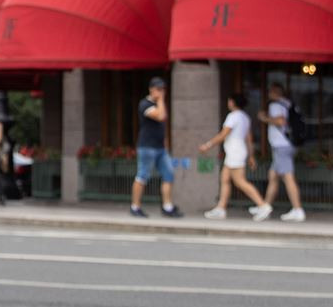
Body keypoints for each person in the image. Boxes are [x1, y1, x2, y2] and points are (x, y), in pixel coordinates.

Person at [198, 92, 272, 221]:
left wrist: (208, 145)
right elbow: (249, 139)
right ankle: (221, 208)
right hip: (237, 150)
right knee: (225, 179)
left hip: (234, 151)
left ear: (232, 102)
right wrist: (251, 156)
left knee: (240, 181)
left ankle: (263, 205)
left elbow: (223, 134)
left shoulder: (233, 116)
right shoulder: (244, 117)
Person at [128, 77, 181, 218]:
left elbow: (163, 125)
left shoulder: (159, 104)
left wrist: (166, 144)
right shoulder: (145, 104)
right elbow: (161, 116)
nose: (161, 92)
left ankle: (167, 206)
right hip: (146, 147)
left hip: (160, 148)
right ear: (151, 89)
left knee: (168, 174)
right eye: (158, 89)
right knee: (142, 175)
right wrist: (161, 100)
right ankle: (135, 206)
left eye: (163, 89)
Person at [264, 88, 307, 222]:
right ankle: (265, 206)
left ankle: (297, 209)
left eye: (270, 92)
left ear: (275, 92)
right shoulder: (288, 103)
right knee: (273, 176)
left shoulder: (276, 105)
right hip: (286, 144)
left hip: (281, 145)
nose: (269, 94)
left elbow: (280, 121)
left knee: (288, 177)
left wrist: (264, 117)